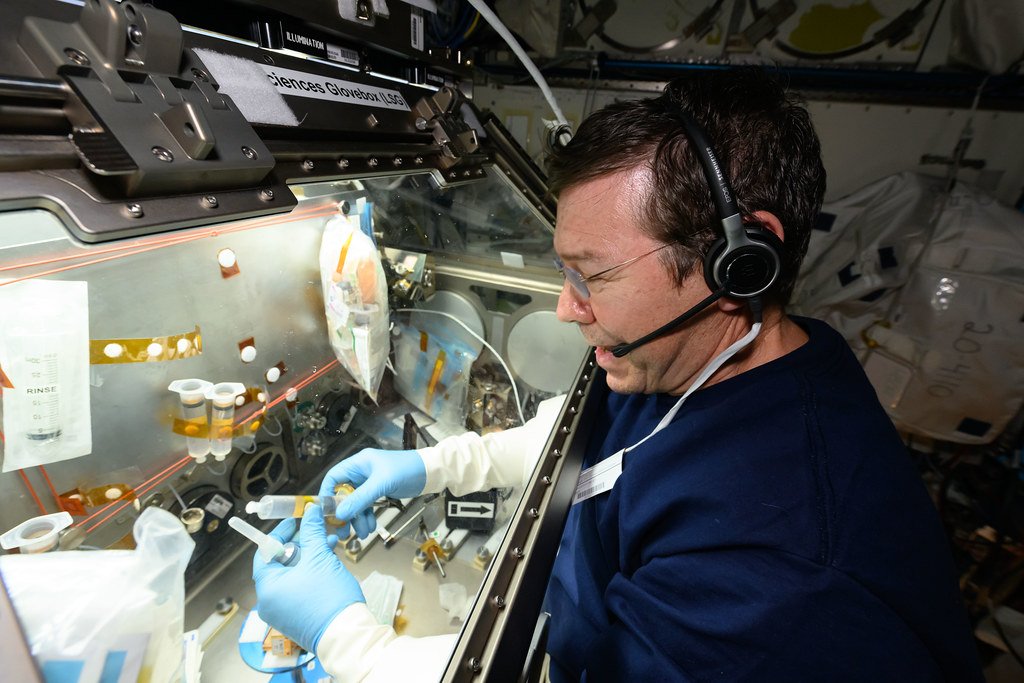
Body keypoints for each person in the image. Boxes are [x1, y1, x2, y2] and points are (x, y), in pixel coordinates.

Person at [252, 67, 984, 681]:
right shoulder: (707, 359)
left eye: (590, 275)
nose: (568, 310)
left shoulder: (782, 579)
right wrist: (437, 466)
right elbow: (598, 445)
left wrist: (347, 638)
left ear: (740, 264)